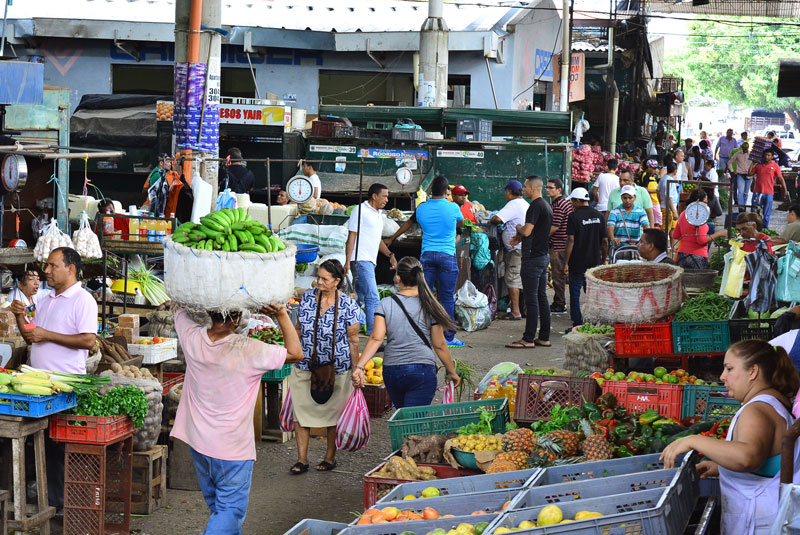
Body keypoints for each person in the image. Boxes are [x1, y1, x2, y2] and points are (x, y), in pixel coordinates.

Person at [171, 303, 302, 535]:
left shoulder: (192, 337)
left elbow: (177, 308)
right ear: (237, 318)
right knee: (229, 511)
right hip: (232, 450)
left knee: (219, 510)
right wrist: (281, 313)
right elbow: (296, 353)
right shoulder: (249, 349)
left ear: (209, 312)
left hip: (199, 443)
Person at [661, 340, 800, 534]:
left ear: (753, 372)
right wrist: (721, 468)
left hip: (762, 524)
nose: (722, 376)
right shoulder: (774, 401)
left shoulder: (756, 410)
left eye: (729, 368)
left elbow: (747, 457)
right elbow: (768, 462)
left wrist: (693, 440)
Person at [10, 247, 96, 511]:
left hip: (65, 387)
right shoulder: (46, 300)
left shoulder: (83, 300)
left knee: (59, 448)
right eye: (46, 266)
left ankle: (60, 506)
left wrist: (46, 334)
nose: (46, 271)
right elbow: (32, 337)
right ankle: (47, 501)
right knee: (44, 446)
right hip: (40, 387)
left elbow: (88, 340)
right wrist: (19, 316)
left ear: (70, 268)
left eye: (52, 266)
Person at [352, 257, 460, 407]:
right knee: (414, 418)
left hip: (392, 371)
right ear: (421, 276)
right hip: (422, 370)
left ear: (398, 278)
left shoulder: (385, 304)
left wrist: (359, 366)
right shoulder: (430, 305)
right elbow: (440, 344)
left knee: (402, 414)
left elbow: (376, 339)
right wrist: (452, 372)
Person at [289, 259, 361, 474]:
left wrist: (356, 370)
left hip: (337, 369)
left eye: (324, 279)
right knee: (301, 413)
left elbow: (353, 340)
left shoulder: (348, 305)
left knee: (333, 416)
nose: (318, 282)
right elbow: (298, 329)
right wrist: (290, 353)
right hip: (305, 365)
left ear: (337, 281)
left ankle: (330, 457)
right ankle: (302, 459)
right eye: (318, 277)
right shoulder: (307, 298)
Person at [386, 175, 465, 348]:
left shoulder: (421, 208)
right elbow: (461, 222)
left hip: (427, 256)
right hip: (447, 256)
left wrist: (392, 238)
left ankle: (422, 333)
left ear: (431, 190)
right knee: (446, 297)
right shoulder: (453, 207)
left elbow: (408, 223)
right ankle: (448, 337)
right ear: (447, 191)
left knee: (424, 295)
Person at [344, 183, 397, 335]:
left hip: (370, 261)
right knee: (373, 297)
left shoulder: (378, 214)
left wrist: (390, 255)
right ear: (374, 196)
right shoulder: (360, 210)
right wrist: (347, 261)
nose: (387, 199)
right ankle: (374, 333)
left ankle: (349, 326)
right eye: (384, 196)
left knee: (359, 298)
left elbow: (377, 240)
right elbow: (352, 236)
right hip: (360, 259)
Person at [506, 176, 552, 349]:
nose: (523, 190)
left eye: (525, 187)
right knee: (541, 297)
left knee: (531, 299)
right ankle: (544, 337)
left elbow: (527, 231)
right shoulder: (546, 206)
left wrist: (518, 228)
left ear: (533, 188)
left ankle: (528, 338)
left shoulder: (535, 206)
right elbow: (536, 232)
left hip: (532, 259)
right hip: (542, 256)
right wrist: (520, 236)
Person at [564, 188, 607, 329]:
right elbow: (604, 241)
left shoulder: (573, 216)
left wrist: (566, 262)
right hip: (594, 262)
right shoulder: (599, 216)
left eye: (572, 201)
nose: (572, 204)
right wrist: (603, 259)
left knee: (575, 293)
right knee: (592, 294)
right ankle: (593, 323)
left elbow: (571, 240)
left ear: (577, 201)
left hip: (577, 261)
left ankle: (577, 323)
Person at [490, 181, 529, 321]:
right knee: (521, 279)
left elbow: (497, 218)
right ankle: (524, 310)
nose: (505, 195)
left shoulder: (513, 204)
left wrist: (491, 219)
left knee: (513, 278)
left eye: (506, 192)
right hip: (522, 248)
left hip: (516, 249)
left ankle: (515, 312)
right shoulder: (525, 204)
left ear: (510, 192)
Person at [672, 189, 728, 269]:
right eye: (705, 202)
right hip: (696, 257)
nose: (706, 204)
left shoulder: (683, 213)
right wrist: (719, 234)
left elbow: (676, 235)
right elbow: (701, 240)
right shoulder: (700, 217)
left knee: (683, 277)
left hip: (682, 256)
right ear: (699, 202)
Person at [545, 178, 573, 314]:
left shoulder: (559, 205)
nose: (547, 190)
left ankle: (560, 304)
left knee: (558, 277)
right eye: (547, 187)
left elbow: (555, 226)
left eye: (551, 188)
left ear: (559, 190)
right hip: (562, 244)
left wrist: (541, 237)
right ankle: (559, 302)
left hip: (559, 245)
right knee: (559, 276)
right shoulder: (562, 202)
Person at [752, 150, 786, 229]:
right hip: (757, 192)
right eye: (765, 155)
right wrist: (752, 163)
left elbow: (781, 179)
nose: (766, 157)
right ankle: (755, 228)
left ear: (772, 157)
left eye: (768, 155)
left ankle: (765, 228)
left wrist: (785, 190)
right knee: (754, 211)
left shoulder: (775, 166)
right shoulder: (758, 165)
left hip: (769, 192)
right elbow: (750, 173)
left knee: (766, 213)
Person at [728, 142, 754, 212]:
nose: (745, 150)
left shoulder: (752, 155)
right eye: (744, 148)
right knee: (740, 192)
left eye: (746, 149)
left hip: (749, 175)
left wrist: (754, 174)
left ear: (748, 148)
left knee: (746, 193)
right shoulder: (737, 154)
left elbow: (755, 164)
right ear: (742, 148)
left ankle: (744, 206)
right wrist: (732, 171)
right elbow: (730, 162)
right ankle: (741, 207)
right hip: (740, 174)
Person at [658, 162, 680, 231]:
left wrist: (660, 200)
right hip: (668, 208)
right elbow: (669, 197)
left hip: (670, 207)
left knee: (673, 228)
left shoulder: (664, 178)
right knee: (665, 229)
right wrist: (674, 211)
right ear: (675, 171)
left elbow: (657, 191)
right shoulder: (668, 180)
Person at [641, 160, 663, 227]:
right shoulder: (646, 176)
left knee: (656, 216)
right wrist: (655, 191)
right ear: (649, 167)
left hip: (655, 199)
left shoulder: (651, 175)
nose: (655, 170)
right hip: (652, 200)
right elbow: (645, 189)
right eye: (654, 168)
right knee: (658, 215)